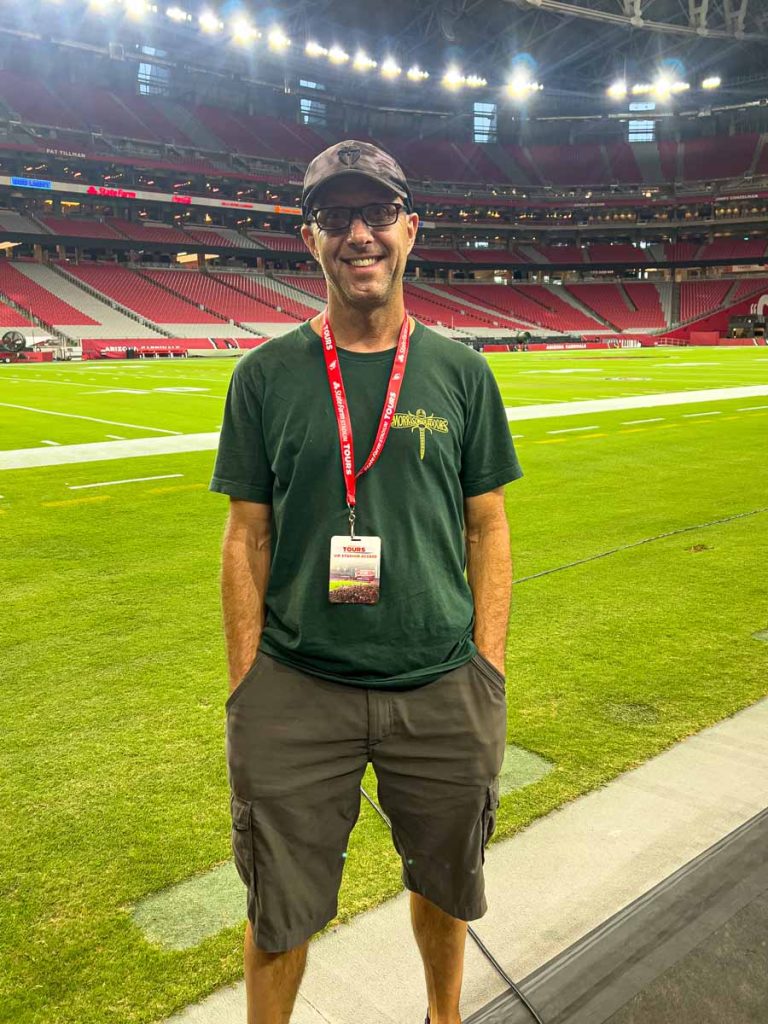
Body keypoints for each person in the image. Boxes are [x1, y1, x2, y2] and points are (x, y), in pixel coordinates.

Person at [210, 139, 523, 1024]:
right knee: (279, 905)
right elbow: (246, 536)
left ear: (410, 230)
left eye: (377, 214)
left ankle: (443, 1017)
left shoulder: (462, 372)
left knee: (449, 882)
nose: (359, 234)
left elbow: (487, 523)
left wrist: (486, 664)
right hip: (300, 688)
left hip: (440, 682)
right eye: (335, 217)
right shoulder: (263, 376)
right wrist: (248, 685)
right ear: (309, 240)